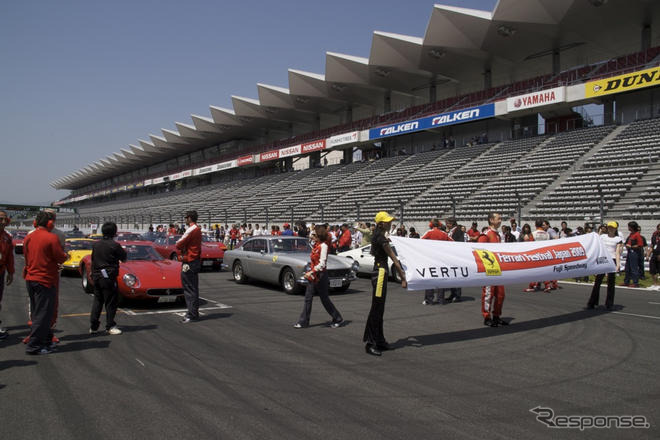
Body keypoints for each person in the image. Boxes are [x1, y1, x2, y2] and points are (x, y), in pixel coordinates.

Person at [22, 211, 67, 354]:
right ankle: (34, 346)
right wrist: (67, 255)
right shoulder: (52, 238)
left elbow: (26, 255)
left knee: (37, 312)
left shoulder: (29, 236)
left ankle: (45, 340)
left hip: (31, 278)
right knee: (44, 314)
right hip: (45, 280)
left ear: (35, 223)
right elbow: (61, 257)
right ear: (50, 223)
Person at [364, 211, 407, 356]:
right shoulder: (380, 238)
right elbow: (394, 258)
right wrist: (403, 277)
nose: (390, 223)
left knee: (379, 309)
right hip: (380, 274)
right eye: (388, 221)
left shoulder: (379, 236)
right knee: (376, 309)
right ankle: (371, 343)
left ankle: (379, 340)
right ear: (381, 223)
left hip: (380, 271)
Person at [294, 225, 343, 329]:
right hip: (313, 275)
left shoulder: (324, 246)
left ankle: (337, 318)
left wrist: (311, 271)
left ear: (319, 235)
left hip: (320, 275)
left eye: (314, 234)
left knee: (324, 299)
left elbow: (322, 264)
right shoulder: (316, 244)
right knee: (308, 298)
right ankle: (303, 322)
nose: (312, 236)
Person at [89, 222, 127, 335]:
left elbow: (93, 259)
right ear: (114, 232)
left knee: (98, 301)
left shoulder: (96, 245)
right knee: (111, 302)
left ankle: (93, 326)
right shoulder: (114, 245)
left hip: (96, 275)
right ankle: (110, 325)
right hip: (108, 276)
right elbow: (124, 258)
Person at [477, 212, 508, 327]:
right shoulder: (486, 234)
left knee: (500, 295)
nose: (500, 220)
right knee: (488, 294)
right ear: (491, 220)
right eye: (498, 218)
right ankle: (486, 317)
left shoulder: (499, 235)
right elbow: (479, 250)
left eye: (500, 218)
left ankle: (496, 316)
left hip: (499, 269)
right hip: (489, 269)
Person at [587, 221, 623, 310]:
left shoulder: (618, 239)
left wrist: (618, 264)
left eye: (612, 227)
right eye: (609, 227)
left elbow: (617, 252)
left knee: (611, 283)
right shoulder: (603, 237)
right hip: (603, 259)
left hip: (612, 260)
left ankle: (609, 303)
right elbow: (596, 243)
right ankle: (592, 302)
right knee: (597, 282)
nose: (611, 229)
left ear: (615, 228)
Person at [176, 210, 202, 322]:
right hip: (195, 260)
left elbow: (178, 244)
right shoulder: (198, 228)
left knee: (189, 288)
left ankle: (191, 314)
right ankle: (194, 312)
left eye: (186, 218)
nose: (185, 220)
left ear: (190, 218)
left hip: (189, 261)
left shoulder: (191, 229)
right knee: (193, 288)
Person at [421, 219, 453, 305]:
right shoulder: (444, 234)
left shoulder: (429, 232)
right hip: (441, 259)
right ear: (439, 225)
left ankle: (429, 299)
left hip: (430, 259)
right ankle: (441, 299)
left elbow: (420, 241)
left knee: (430, 278)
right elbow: (453, 242)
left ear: (431, 225)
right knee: (441, 278)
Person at [524, 219, 552, 293]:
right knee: (543, 270)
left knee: (534, 271)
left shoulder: (533, 234)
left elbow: (530, 244)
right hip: (545, 254)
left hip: (536, 255)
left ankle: (533, 285)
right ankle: (541, 285)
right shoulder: (547, 234)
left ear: (535, 225)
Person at [0, 210, 15, 340]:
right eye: (1, 219)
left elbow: (10, 257)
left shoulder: (7, 237)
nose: (3, 222)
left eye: (5, 219)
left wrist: (11, 272)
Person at [623, 221, 643, 287]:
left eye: (629, 226)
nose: (628, 228)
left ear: (632, 227)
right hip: (630, 252)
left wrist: (631, 246)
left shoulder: (637, 235)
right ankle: (626, 281)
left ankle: (635, 282)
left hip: (634, 253)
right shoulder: (631, 234)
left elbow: (640, 245)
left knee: (634, 268)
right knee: (627, 267)